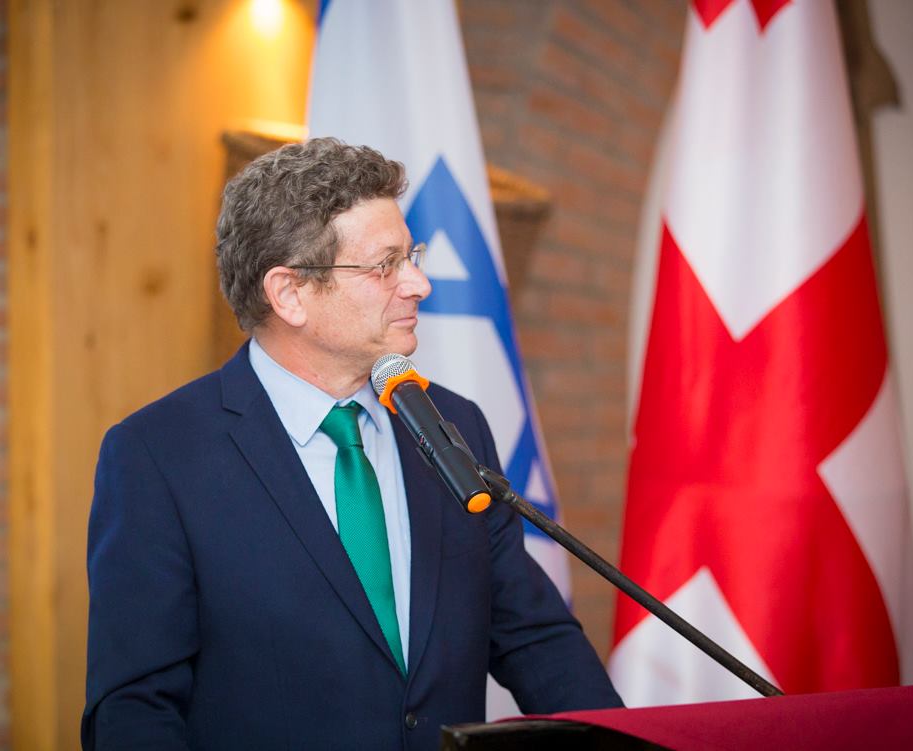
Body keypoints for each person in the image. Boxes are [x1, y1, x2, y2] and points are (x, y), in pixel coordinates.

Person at [82, 137, 622, 750]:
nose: (419, 283)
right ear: (290, 294)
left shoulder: (456, 426)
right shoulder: (158, 456)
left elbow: (534, 638)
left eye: (411, 256)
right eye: (385, 265)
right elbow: (134, 711)